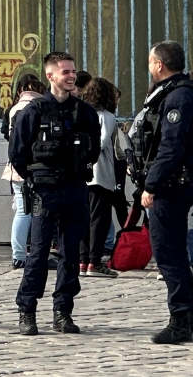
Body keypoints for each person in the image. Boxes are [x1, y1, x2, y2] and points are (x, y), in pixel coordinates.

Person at [8, 51, 101, 336]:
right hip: (44, 189)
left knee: (70, 254)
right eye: (65, 72)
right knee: (37, 254)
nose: (71, 76)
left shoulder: (84, 112)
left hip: (74, 188)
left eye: (73, 71)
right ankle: (27, 310)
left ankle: (63, 311)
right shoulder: (33, 112)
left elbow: (94, 151)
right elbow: (17, 154)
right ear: (50, 76)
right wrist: (37, 177)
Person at [131, 41, 193, 343]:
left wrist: (151, 185)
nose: (149, 66)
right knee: (174, 250)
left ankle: (179, 321)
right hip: (176, 182)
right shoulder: (179, 92)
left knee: (168, 254)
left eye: (150, 61)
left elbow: (171, 145)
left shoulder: (178, 97)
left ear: (160, 64)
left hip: (172, 185)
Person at [1, 74, 46, 269]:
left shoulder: (14, 109)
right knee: (25, 211)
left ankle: (21, 253)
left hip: (16, 165)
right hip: (30, 166)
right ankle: (20, 254)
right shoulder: (37, 107)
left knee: (22, 209)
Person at [78, 77, 121, 278]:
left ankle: (83, 259)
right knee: (99, 219)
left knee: (84, 219)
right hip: (100, 173)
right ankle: (95, 262)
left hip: (82, 173)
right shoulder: (107, 117)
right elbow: (103, 142)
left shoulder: (83, 113)